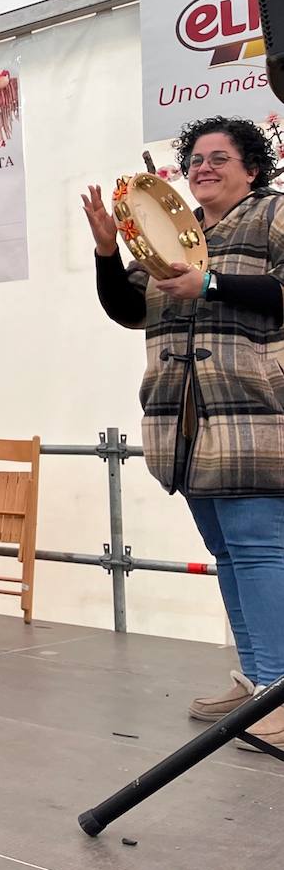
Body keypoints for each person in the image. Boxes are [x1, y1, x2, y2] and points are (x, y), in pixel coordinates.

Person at [83, 116, 284, 746]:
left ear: (252, 168)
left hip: (254, 410)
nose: (203, 168)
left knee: (257, 550)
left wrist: (214, 283)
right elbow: (128, 308)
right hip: (185, 418)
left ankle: (279, 691)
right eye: (195, 159)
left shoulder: (274, 215)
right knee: (227, 552)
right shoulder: (177, 230)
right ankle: (255, 682)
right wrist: (107, 252)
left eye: (220, 158)